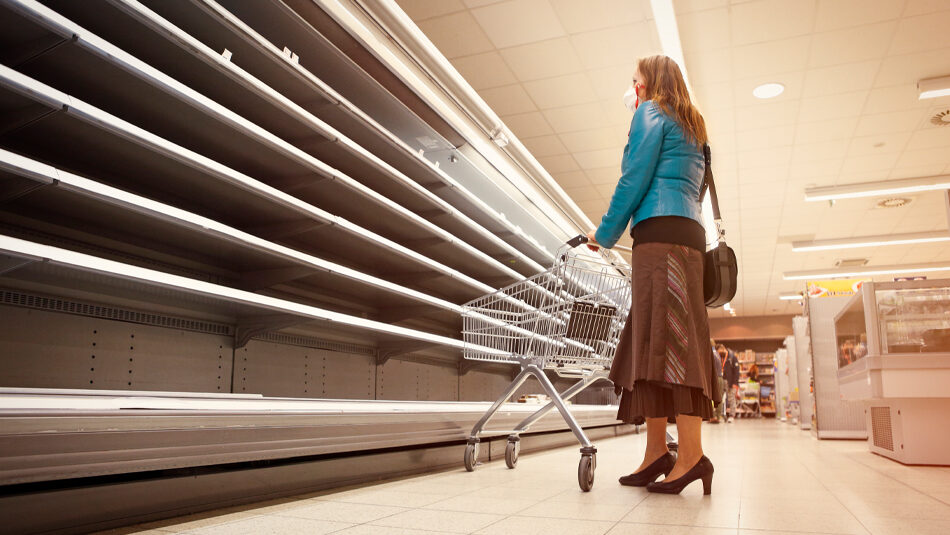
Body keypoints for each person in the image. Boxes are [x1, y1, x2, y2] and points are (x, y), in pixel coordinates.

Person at [586, 55, 714, 495]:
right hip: (687, 234)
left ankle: (692, 456)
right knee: (659, 343)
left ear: (651, 82)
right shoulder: (693, 124)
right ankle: (657, 452)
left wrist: (603, 233)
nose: (632, 87)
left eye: (635, 79)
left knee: (669, 345)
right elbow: (693, 187)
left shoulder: (651, 113)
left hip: (659, 237)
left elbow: (633, 179)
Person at [718, 345, 740, 422]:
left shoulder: (732, 357)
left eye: (719, 351)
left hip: (731, 382)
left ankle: (732, 415)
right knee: (722, 398)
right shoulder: (721, 357)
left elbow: (737, 371)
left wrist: (735, 382)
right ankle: (721, 414)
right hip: (723, 380)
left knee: (731, 398)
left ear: (723, 349)